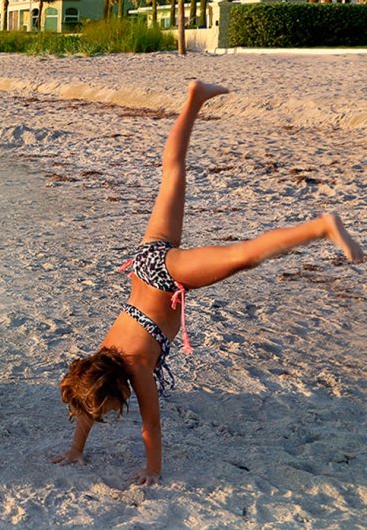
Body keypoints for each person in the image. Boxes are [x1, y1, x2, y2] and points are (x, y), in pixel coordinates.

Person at [52, 80, 363, 486]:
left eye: (111, 408)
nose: (112, 413)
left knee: (244, 256)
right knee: (172, 173)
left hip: (165, 275)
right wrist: (76, 449)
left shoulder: (137, 367)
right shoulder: (103, 359)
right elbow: (85, 403)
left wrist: (152, 469)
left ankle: (322, 226)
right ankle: (194, 97)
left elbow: (151, 425)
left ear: (117, 388)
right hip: (144, 263)